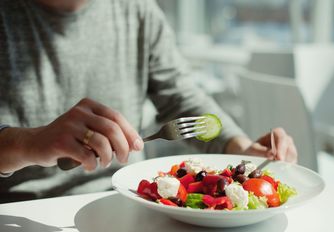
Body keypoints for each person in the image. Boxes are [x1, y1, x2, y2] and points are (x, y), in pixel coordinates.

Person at [0, 0, 297, 203]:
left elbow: (181, 97)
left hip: (126, 200)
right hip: (18, 211)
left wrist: (240, 148)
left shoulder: (137, 9)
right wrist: (26, 143)